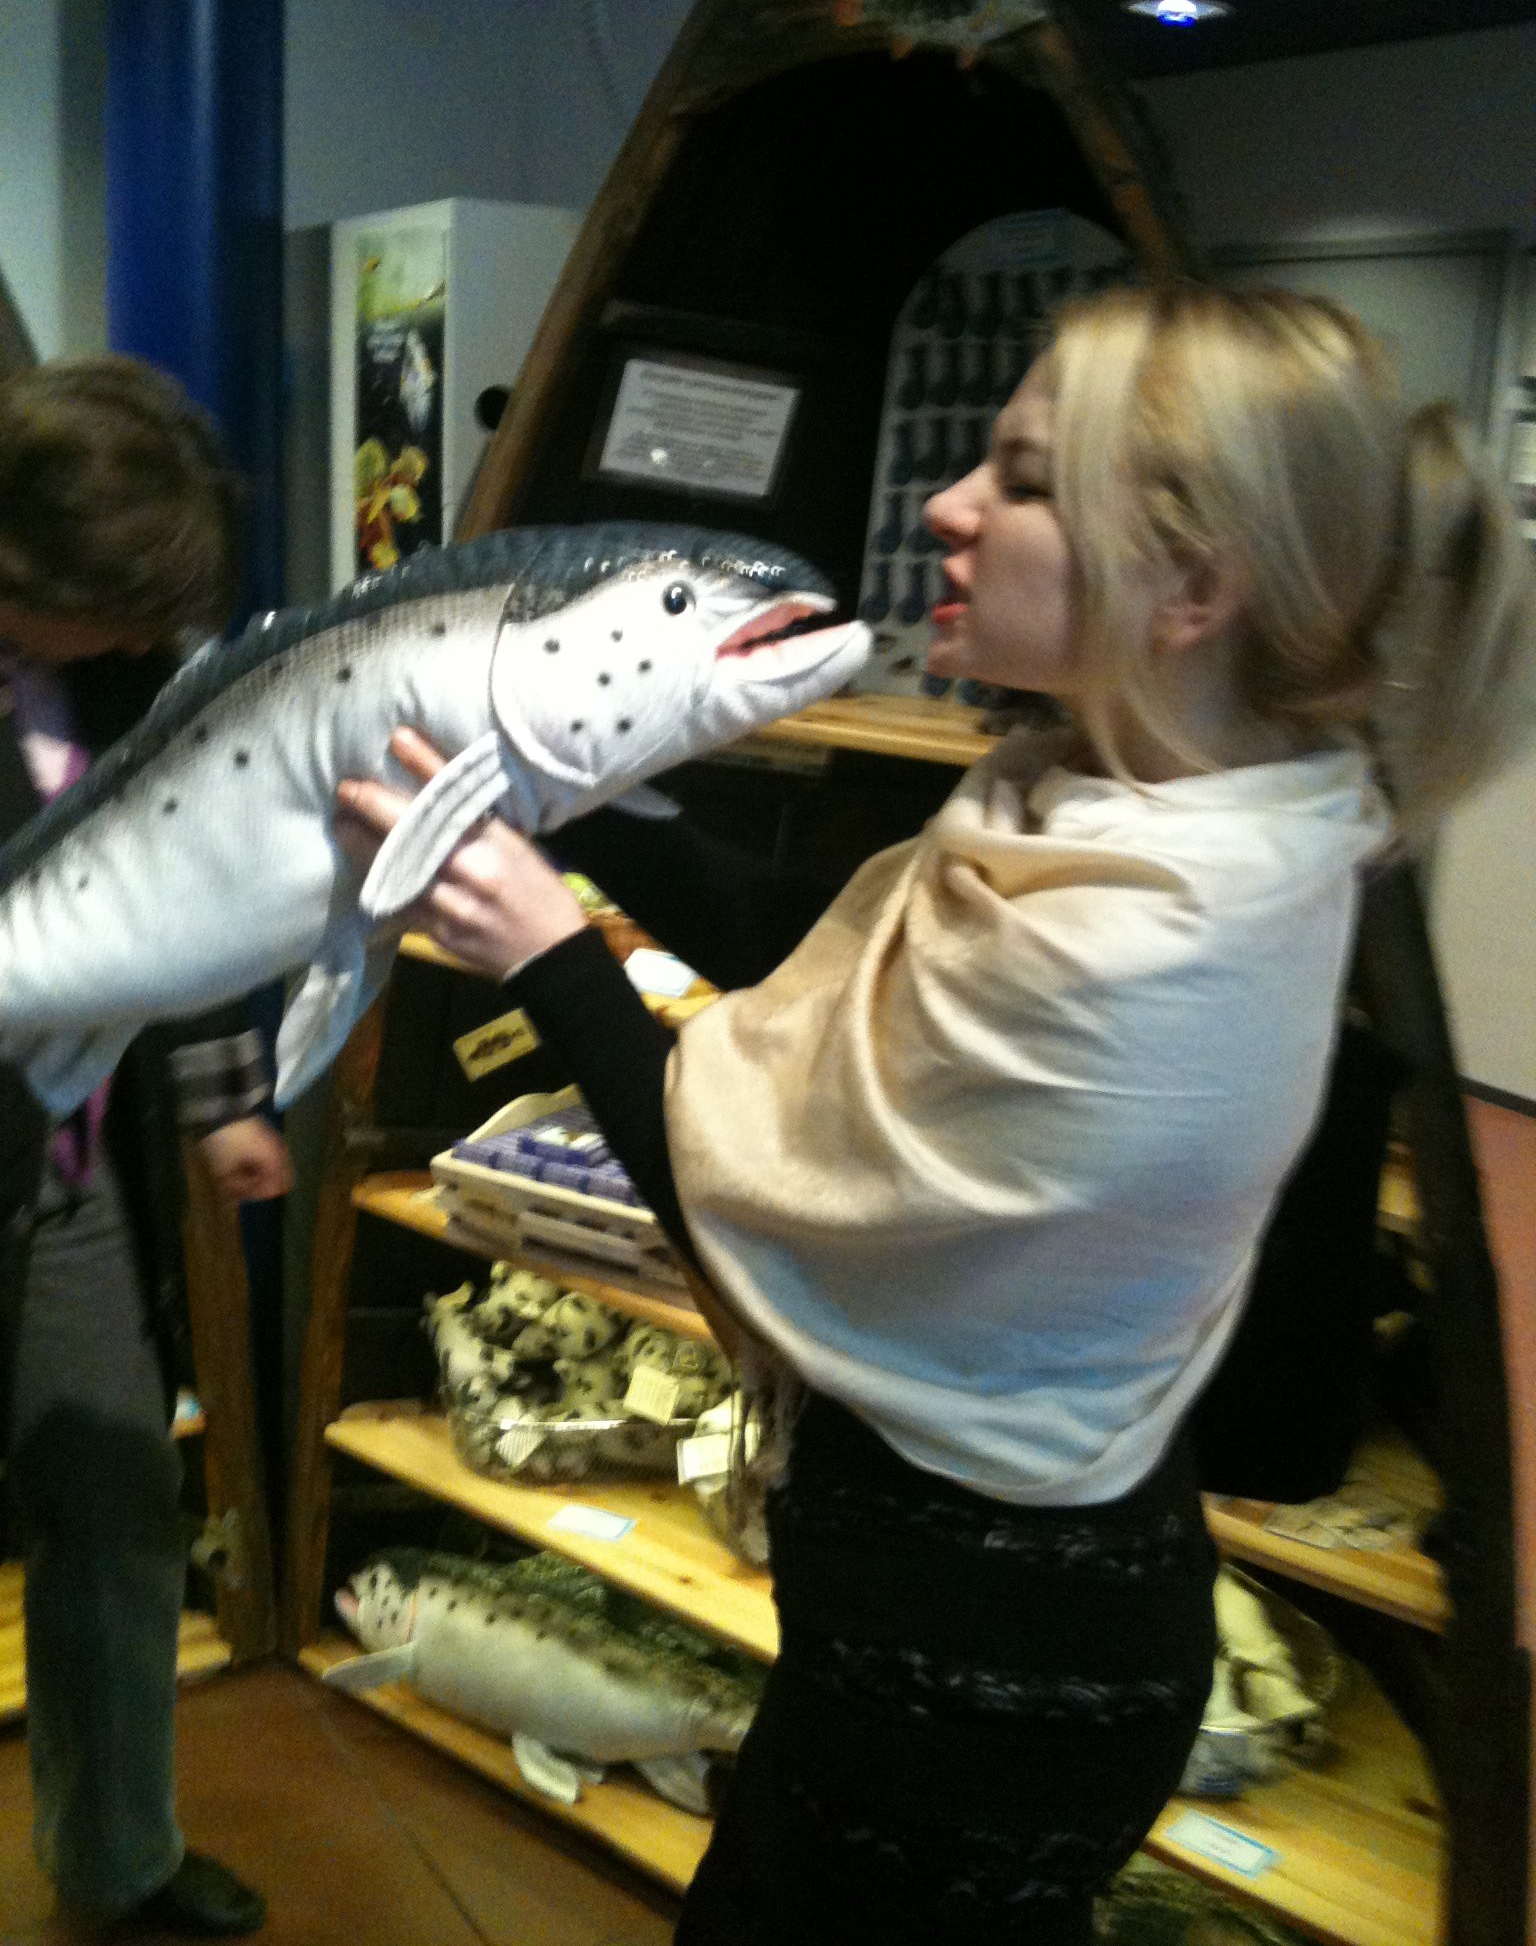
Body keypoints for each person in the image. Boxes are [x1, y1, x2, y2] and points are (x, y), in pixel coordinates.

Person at [337, 283, 1534, 1945]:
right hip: (916, 1621)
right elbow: (806, 948)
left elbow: (752, 1203)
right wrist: (578, 793)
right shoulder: (1089, 807)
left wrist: (546, 953)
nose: (948, 505)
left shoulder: (1156, 939)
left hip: (988, 1671)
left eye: (1025, 480)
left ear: (1191, 586)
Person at [0, 356, 292, 1936]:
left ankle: (121, 1859)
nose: (138, 644)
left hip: (64, 1178)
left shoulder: (147, 674)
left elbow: (193, 890)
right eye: (112, 612)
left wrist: (228, 1097)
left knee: (117, 1501)